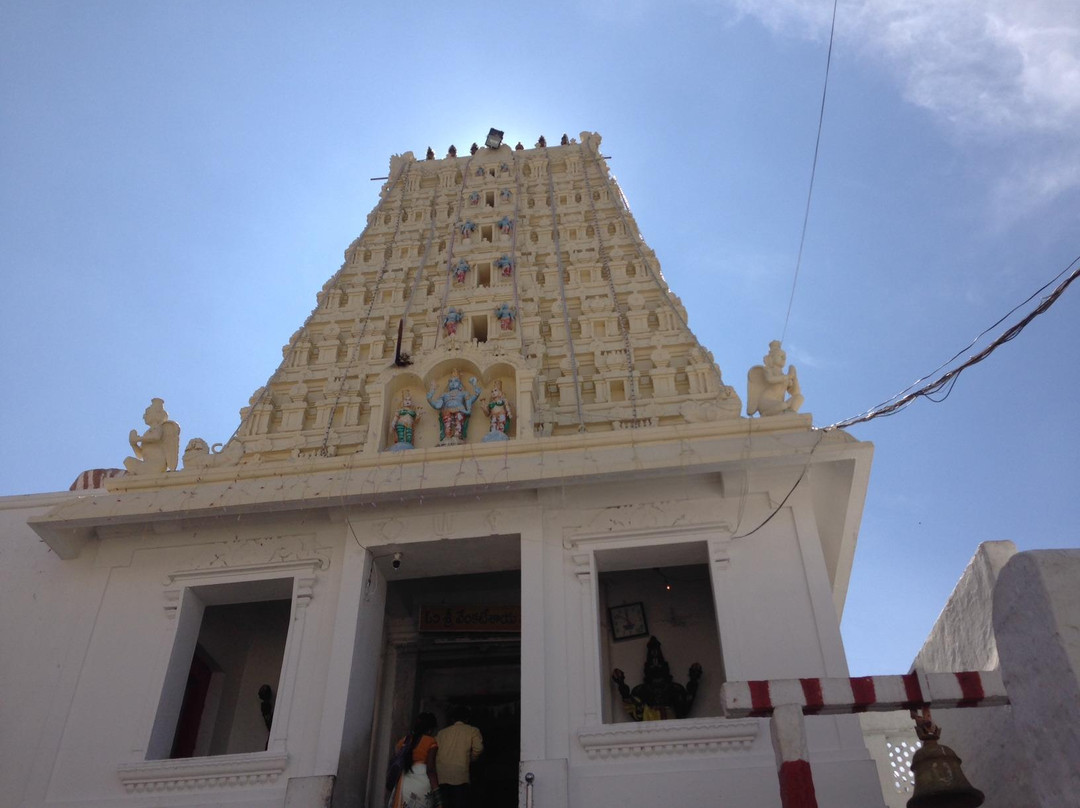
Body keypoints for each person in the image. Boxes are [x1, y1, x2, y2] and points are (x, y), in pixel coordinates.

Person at [389, 712, 440, 808]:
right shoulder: (431, 742)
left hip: (405, 784)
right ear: (430, 730)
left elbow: (396, 759)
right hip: (423, 783)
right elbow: (430, 769)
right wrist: (437, 792)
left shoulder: (404, 740)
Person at [435, 707, 483, 808]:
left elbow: (434, 751)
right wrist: (471, 759)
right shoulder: (472, 731)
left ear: (452, 719)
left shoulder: (441, 733)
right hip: (460, 776)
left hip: (441, 776)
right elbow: (478, 748)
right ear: (467, 719)